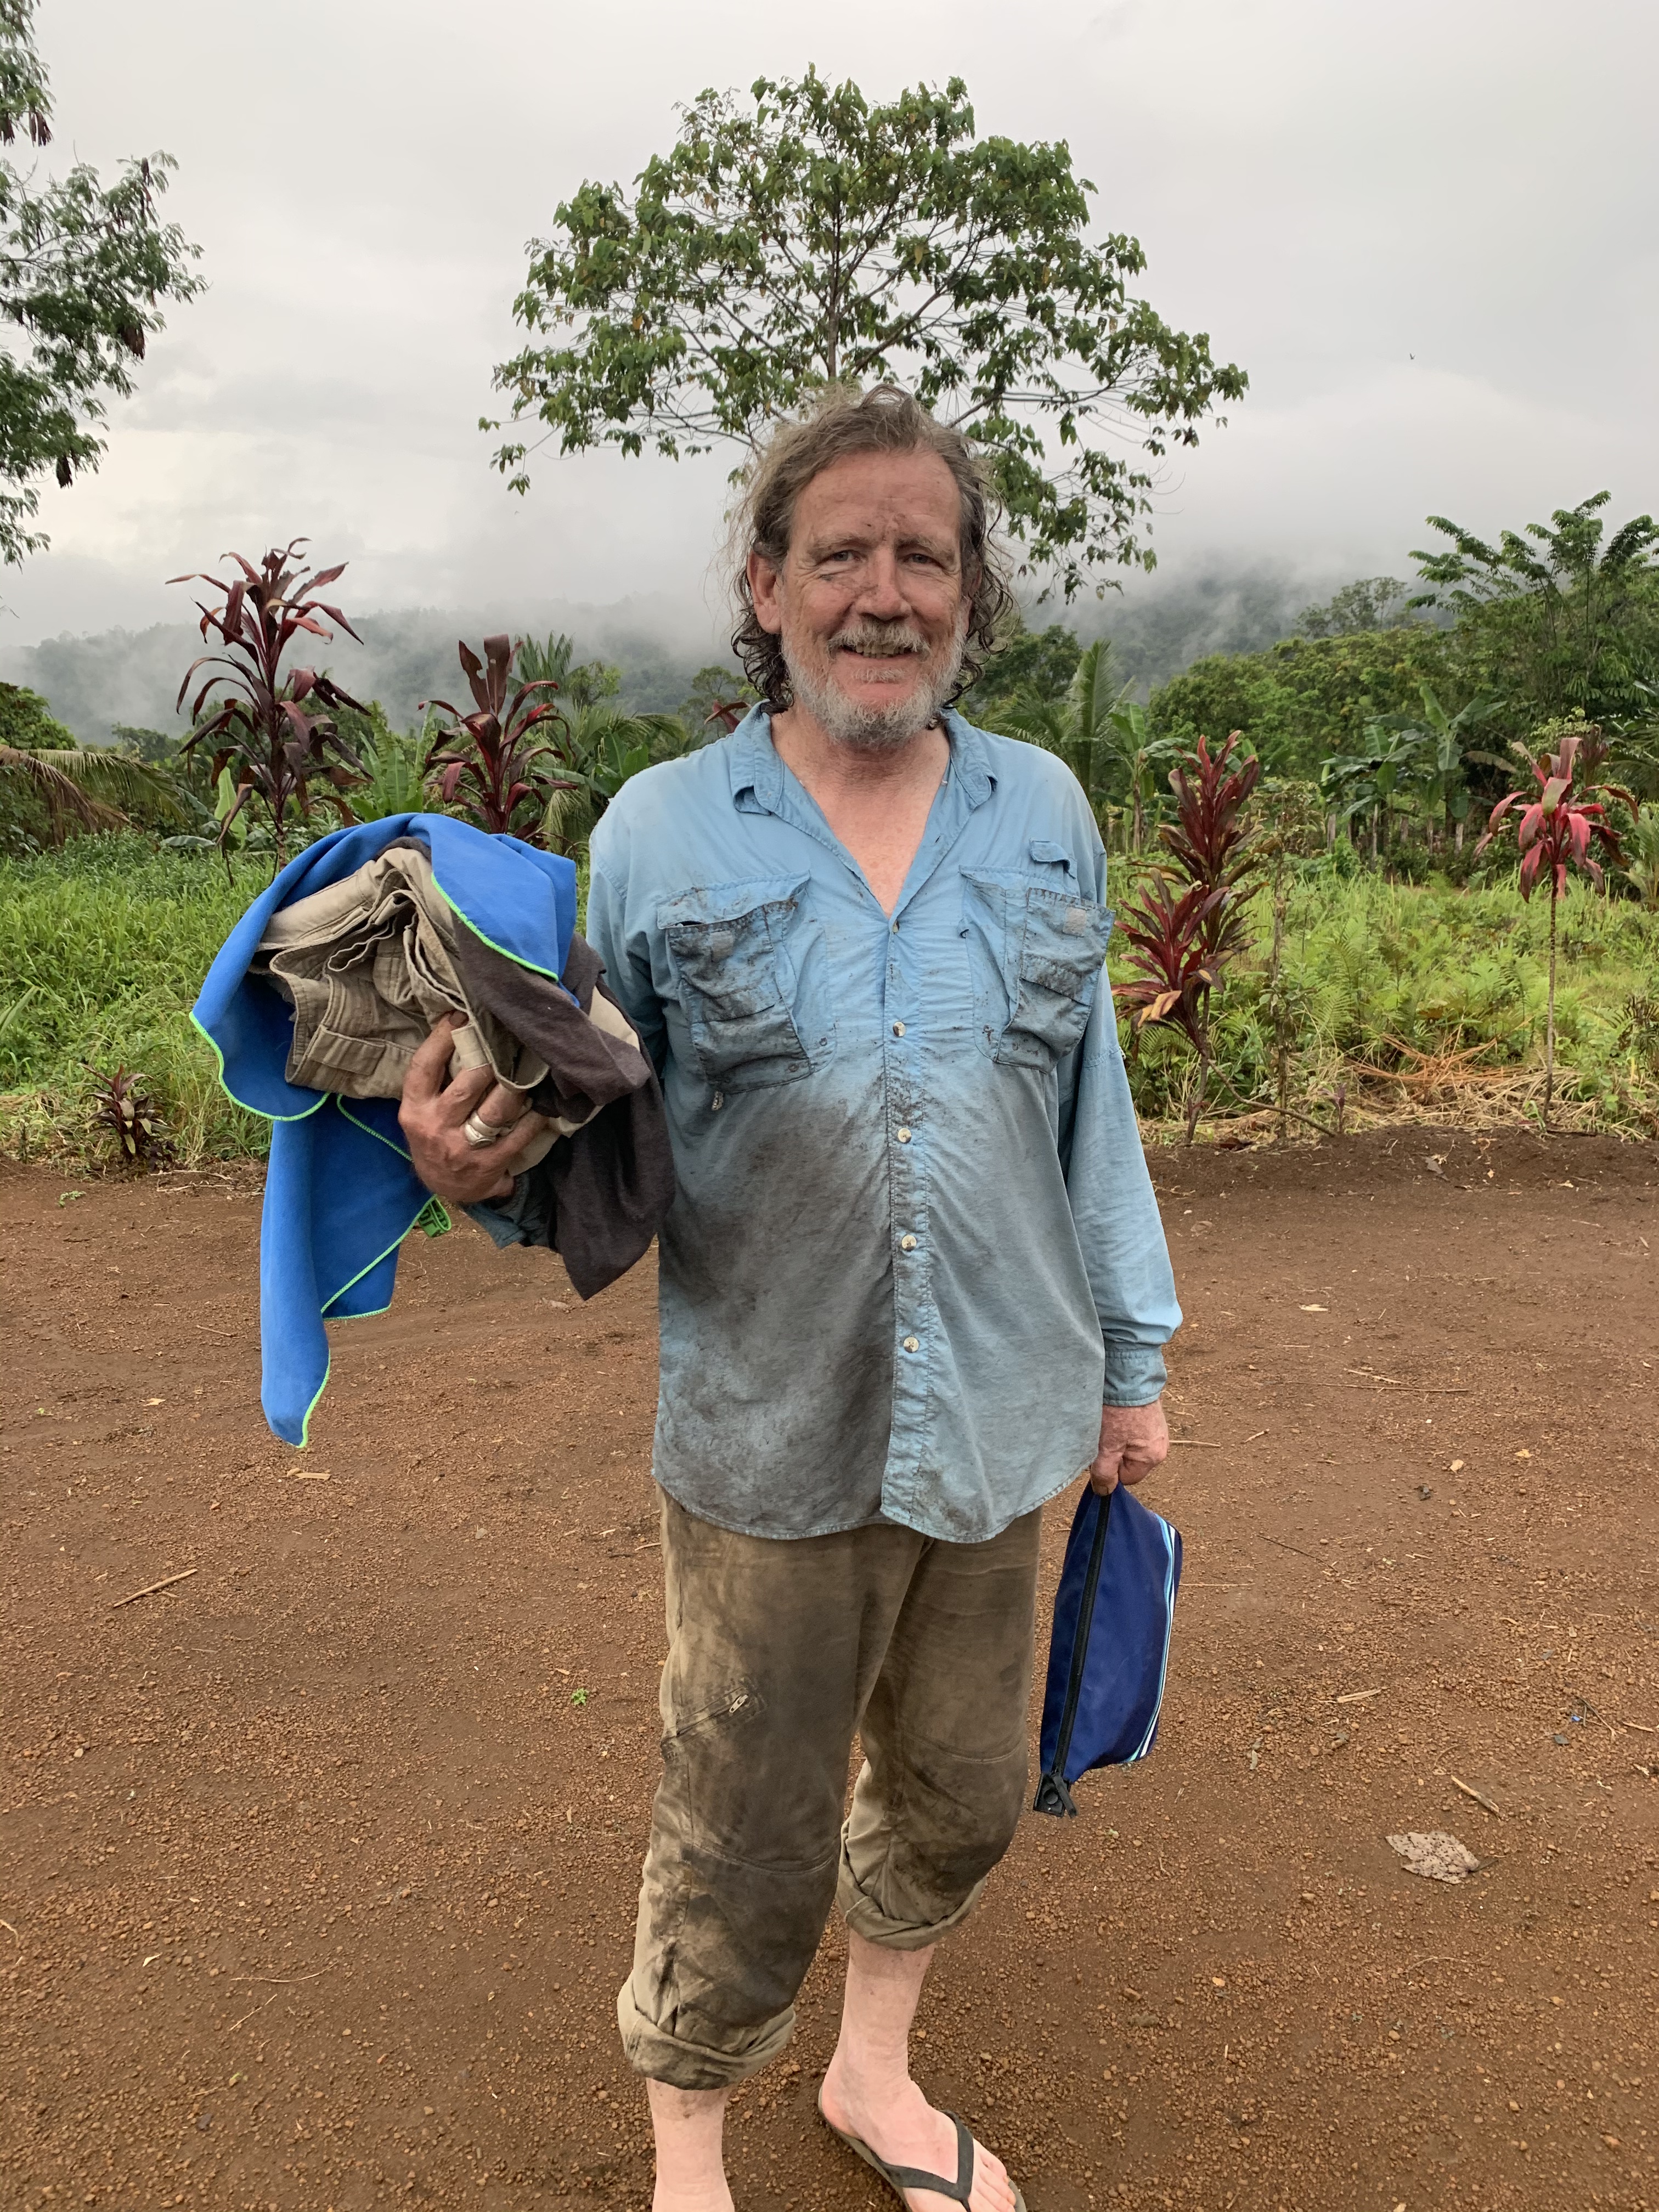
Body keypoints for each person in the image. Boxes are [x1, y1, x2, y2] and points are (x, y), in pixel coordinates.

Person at [398, 385, 1181, 2212]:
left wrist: (1131, 1362)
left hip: (1004, 1410)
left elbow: (1092, 1108)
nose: (882, 594)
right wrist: (472, 1171)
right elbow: (586, 1124)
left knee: (964, 1786)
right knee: (741, 1820)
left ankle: (872, 2075)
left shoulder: (1044, 810)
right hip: (769, 1428)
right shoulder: (662, 835)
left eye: (924, 555)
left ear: (970, 592)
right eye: (840, 556)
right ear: (767, 586)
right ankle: (692, 2153)